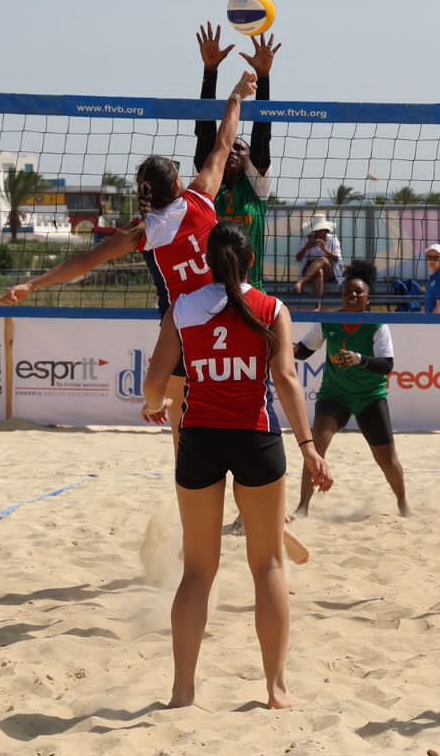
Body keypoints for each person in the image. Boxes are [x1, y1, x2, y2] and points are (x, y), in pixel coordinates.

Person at [0, 71, 258, 438]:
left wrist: (33, 285)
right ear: (178, 184)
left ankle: (181, 467)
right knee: (235, 408)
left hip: (182, 326)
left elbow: (84, 262)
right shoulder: (201, 197)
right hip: (226, 311)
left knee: (182, 427)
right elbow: (224, 141)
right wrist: (236, 95)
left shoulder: (144, 231)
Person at [141, 220, 333, 710]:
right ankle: (275, 690)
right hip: (256, 439)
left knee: (198, 573)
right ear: (250, 261)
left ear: (207, 261)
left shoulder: (183, 309)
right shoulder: (271, 309)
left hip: (200, 440)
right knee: (268, 565)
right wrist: (309, 446)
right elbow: (287, 379)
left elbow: (155, 382)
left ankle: (182, 691)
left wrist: (155, 404)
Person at [293, 259, 409, 517]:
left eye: (358, 292)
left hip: (370, 397)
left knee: (387, 460)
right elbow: (302, 351)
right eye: (348, 292)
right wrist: (282, 345)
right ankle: (303, 507)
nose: (352, 296)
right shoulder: (328, 321)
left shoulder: (377, 324)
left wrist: (358, 359)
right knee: (316, 446)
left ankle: (403, 505)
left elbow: (386, 365)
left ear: (368, 298)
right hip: (335, 395)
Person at [194, 23, 280, 290]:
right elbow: (206, 134)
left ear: (250, 160)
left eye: (240, 149)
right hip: (212, 289)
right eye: (230, 146)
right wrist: (210, 71)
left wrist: (263, 77)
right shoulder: (210, 188)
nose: (232, 150)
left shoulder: (256, 189)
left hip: (251, 288)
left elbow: (262, 135)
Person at [291, 213, 343, 310]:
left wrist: (324, 249)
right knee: (319, 272)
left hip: (329, 270)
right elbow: (298, 258)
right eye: (317, 231)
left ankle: (301, 283)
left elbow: (337, 258)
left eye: (322, 230)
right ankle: (317, 307)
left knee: (322, 260)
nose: (320, 233)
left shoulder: (333, 239)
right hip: (310, 272)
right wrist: (307, 247)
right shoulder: (307, 239)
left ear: (326, 230)